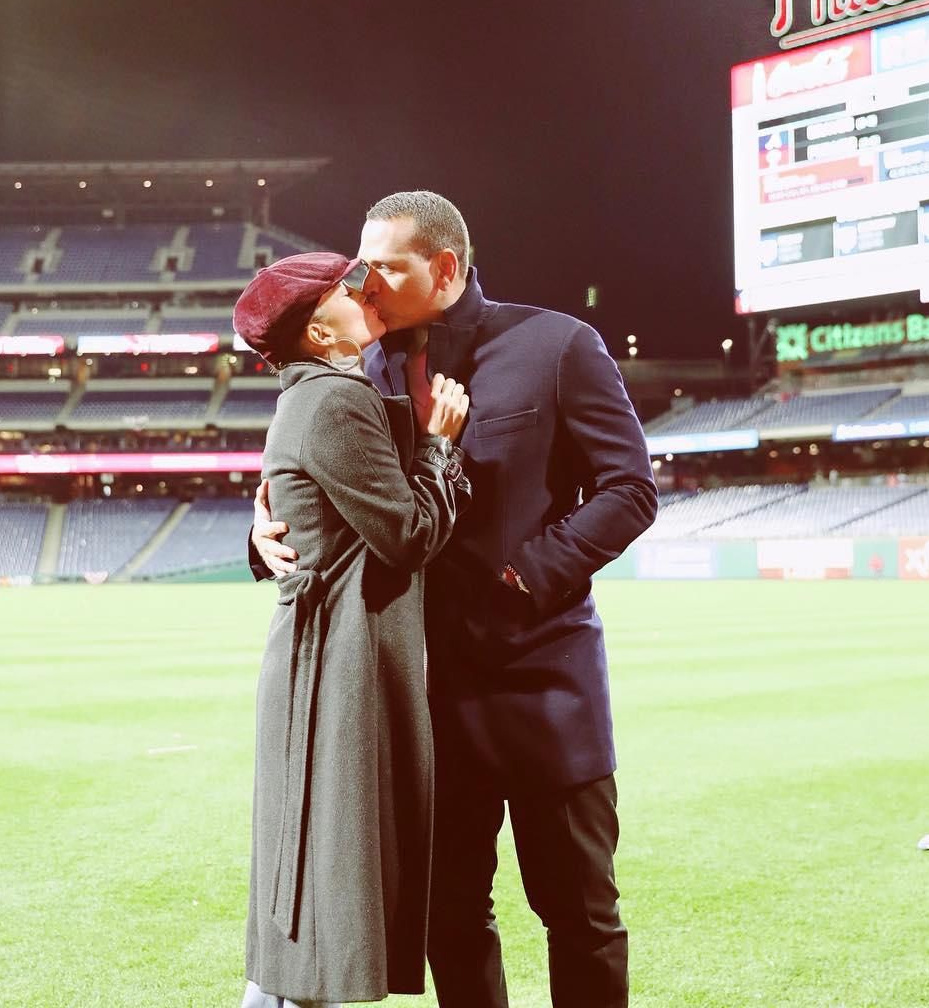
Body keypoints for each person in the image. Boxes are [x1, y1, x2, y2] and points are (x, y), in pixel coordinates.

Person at [252, 192, 658, 1008]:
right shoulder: (357, 366)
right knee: (449, 921)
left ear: (444, 268)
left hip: (545, 683)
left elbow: (630, 491)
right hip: (423, 703)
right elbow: (320, 480)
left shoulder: (558, 345)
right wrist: (260, 539)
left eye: (386, 268)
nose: (365, 285)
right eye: (360, 268)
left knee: (579, 915)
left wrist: (529, 573)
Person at [233, 250, 472, 1008]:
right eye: (341, 288)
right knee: (318, 911)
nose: (359, 287)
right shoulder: (333, 399)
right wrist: (439, 448)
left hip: (326, 666)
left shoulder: (318, 393)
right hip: (332, 673)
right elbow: (405, 535)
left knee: (309, 909)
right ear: (321, 333)